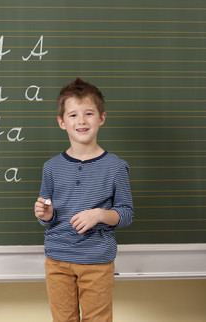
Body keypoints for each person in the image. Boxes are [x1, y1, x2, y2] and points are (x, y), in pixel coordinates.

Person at [34, 78, 134, 322]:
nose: (81, 121)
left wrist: (99, 214)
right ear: (61, 122)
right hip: (57, 260)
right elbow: (49, 216)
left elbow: (126, 213)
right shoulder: (51, 168)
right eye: (73, 115)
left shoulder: (116, 167)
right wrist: (46, 216)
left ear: (101, 118)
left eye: (89, 113)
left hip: (97, 261)